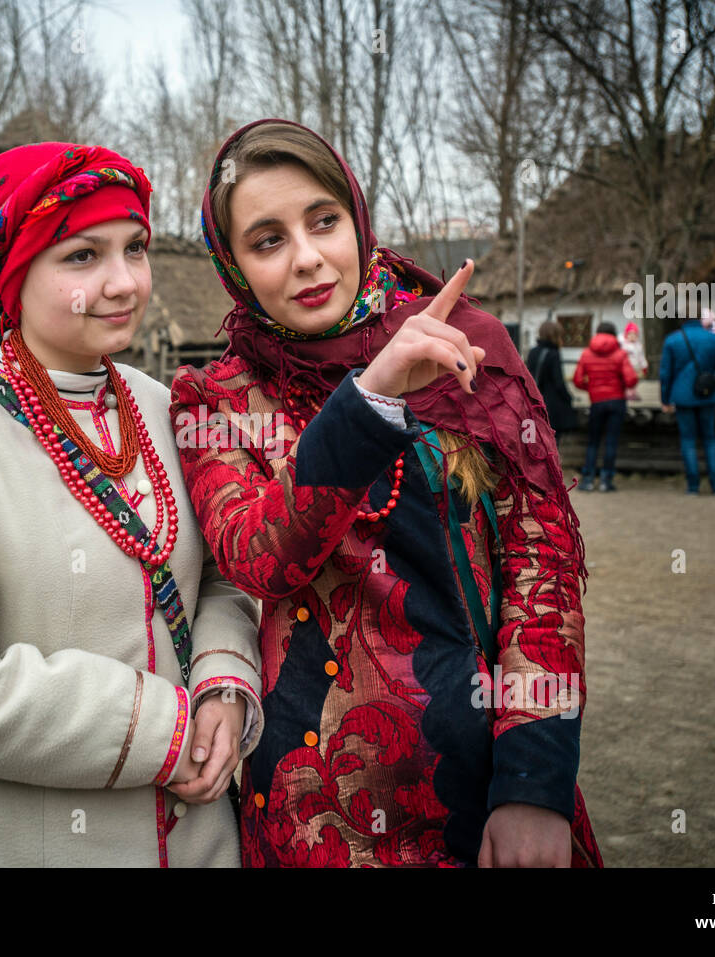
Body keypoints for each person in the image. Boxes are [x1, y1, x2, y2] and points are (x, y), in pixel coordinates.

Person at [170, 119, 602, 867]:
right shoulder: (214, 400)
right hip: (315, 814)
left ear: (357, 219)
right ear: (233, 263)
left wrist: (534, 778)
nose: (307, 259)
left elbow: (543, 568)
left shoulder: (465, 344)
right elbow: (257, 557)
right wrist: (369, 399)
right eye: (267, 240)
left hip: (490, 780)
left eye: (324, 220)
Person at [0, 142, 264, 866]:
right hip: (18, 840)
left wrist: (225, 687)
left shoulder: (165, 407)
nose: (123, 282)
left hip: (198, 835)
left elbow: (225, 578)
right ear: (14, 275)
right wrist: (169, 730)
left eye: (134, 248)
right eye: (82, 256)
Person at [660, 313, 715, 495]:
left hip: (682, 397)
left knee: (688, 441)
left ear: (681, 319)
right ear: (701, 319)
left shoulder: (672, 340)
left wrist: (665, 399)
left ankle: (693, 487)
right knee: (710, 439)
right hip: (709, 396)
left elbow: (665, 374)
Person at [572, 321, 637, 492]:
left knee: (593, 441)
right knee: (611, 441)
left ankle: (587, 480)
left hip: (597, 402)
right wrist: (620, 385)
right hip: (617, 401)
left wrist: (592, 388)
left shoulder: (586, 354)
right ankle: (606, 481)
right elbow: (631, 379)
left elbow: (577, 380)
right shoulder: (621, 354)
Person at [526, 321, 578, 448]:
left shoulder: (532, 352)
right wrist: (569, 398)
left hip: (532, 404)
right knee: (552, 445)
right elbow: (559, 383)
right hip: (551, 407)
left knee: (534, 443)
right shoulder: (553, 354)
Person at [619, 321, 647, 401]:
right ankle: (626, 393)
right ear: (626, 335)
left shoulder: (638, 346)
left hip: (635, 367)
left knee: (634, 381)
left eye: (634, 334)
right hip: (626, 368)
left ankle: (632, 393)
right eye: (630, 334)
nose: (632, 337)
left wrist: (644, 366)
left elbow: (641, 357)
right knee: (626, 381)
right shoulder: (623, 345)